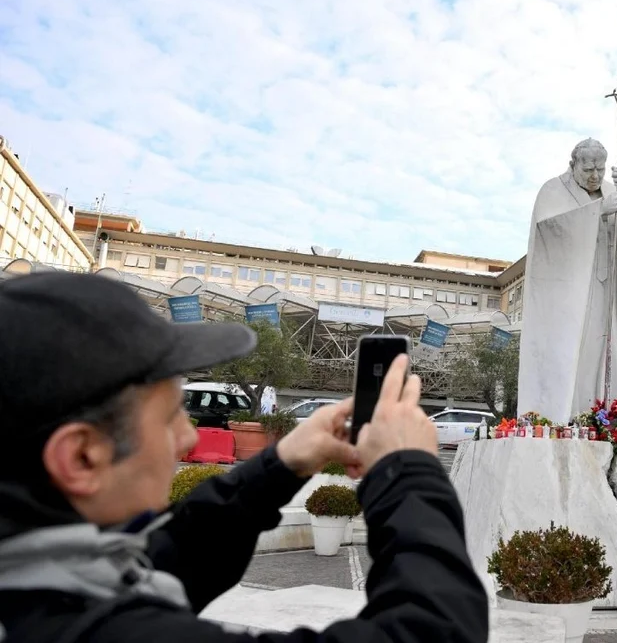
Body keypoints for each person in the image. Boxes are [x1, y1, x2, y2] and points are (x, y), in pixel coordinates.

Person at [0, 272, 489, 643]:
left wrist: (281, 465)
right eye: (171, 414)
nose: (189, 438)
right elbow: (434, 630)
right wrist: (406, 469)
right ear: (82, 457)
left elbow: (161, 567)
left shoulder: (42, 589)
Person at [517, 138, 617, 425]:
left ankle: (613, 413)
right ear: (573, 165)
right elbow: (548, 232)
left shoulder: (612, 190)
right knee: (577, 354)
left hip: (610, 291)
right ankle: (570, 415)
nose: (595, 176)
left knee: (611, 350)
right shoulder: (553, 190)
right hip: (573, 294)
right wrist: (597, 212)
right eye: (588, 169)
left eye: (600, 169)